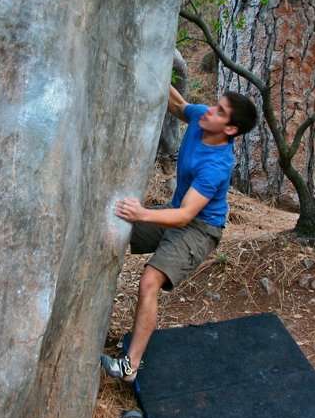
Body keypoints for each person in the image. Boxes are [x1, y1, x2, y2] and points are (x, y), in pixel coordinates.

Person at [101, 85, 258, 382]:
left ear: (231, 129)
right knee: (114, 224)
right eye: (216, 104)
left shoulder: (217, 165)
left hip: (199, 228)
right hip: (173, 213)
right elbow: (177, 104)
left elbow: (186, 215)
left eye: (220, 112)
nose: (210, 110)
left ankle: (129, 367)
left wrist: (142, 214)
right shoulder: (201, 118)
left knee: (149, 281)